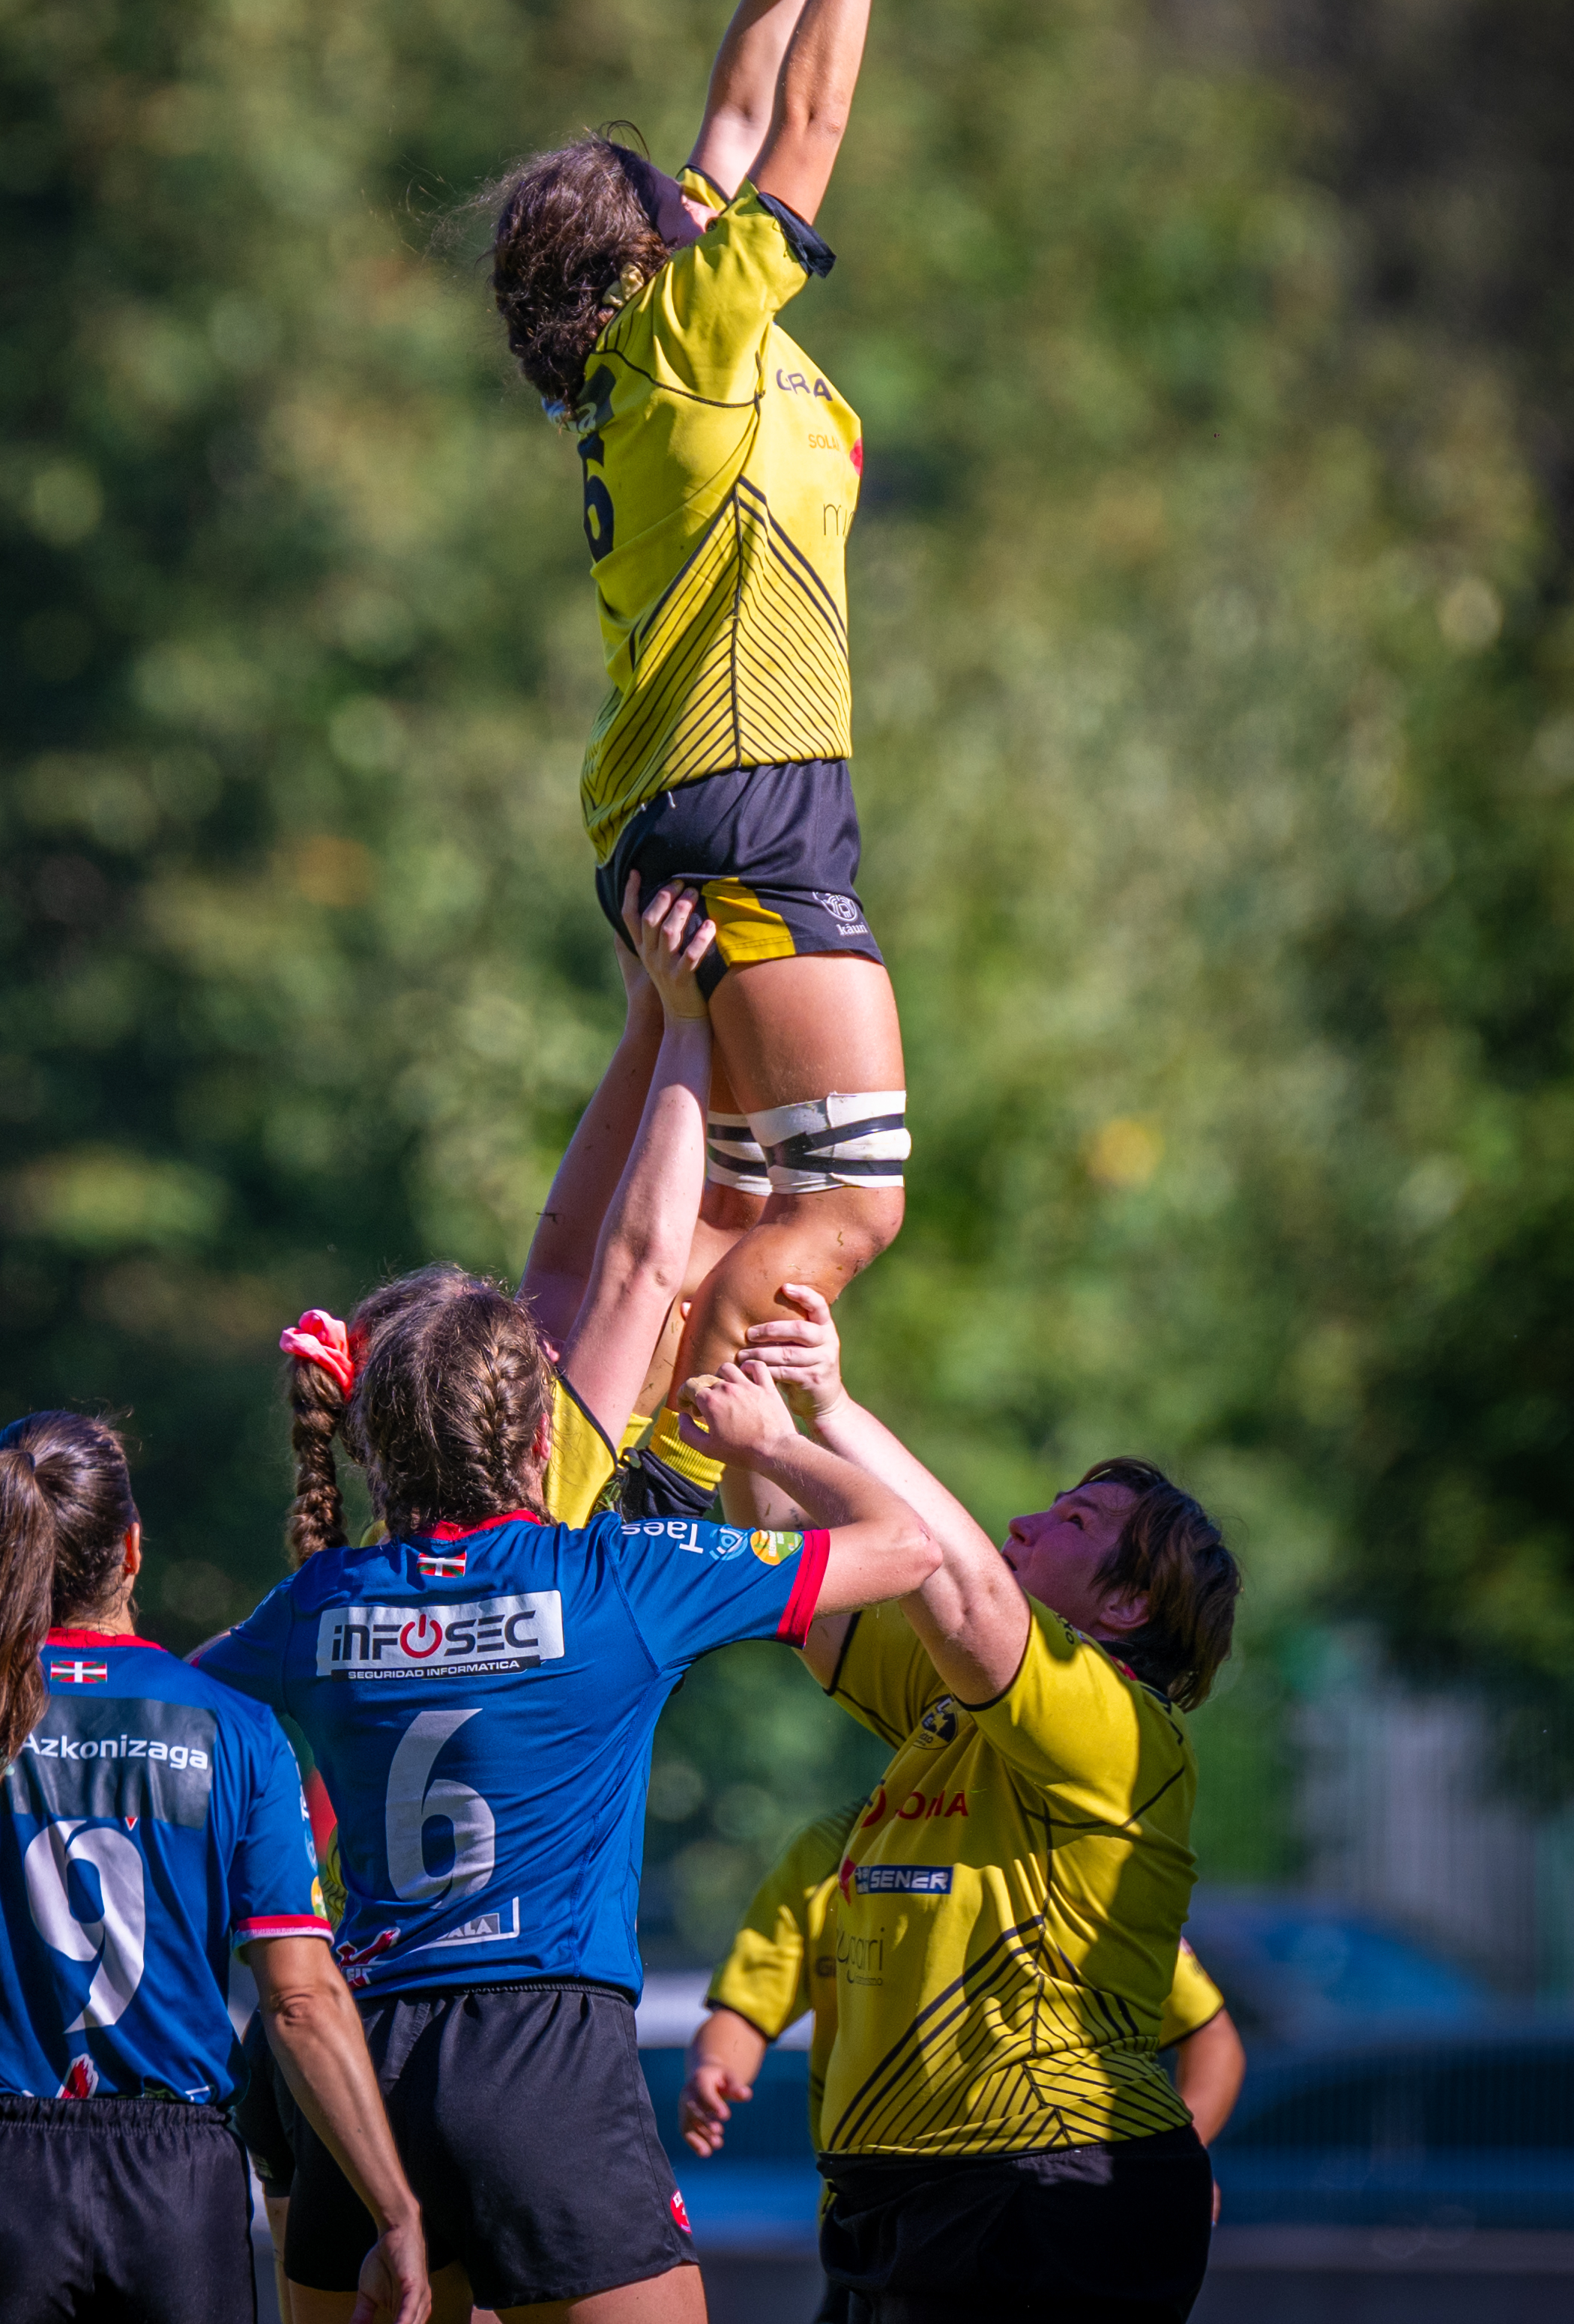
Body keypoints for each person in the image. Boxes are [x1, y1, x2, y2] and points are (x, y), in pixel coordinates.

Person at [196, 893, 940, 2324]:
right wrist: (782, 1432)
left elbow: (151, 1699)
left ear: (360, 1440)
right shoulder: (608, 1582)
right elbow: (897, 1538)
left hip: (342, 2061)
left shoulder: (315, 1600)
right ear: (539, 1436)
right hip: (535, 2058)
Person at [485, 0, 950, 1511]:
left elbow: (740, 116)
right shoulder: (692, 336)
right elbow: (804, 134)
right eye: (669, 197)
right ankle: (676, 1473)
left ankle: (575, 1473)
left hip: (687, 808)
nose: (701, 187)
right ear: (645, 264)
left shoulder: (652, 350)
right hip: (743, 810)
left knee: (754, 1217)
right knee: (845, 1206)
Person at [0, 1412, 430, 2324]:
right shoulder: (233, 1727)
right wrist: (395, 2209)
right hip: (177, 2188)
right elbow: (301, 2000)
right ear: (132, 1546)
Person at [690, 1288, 1241, 2324]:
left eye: (1070, 1521)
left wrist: (826, 1409)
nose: (1024, 1521)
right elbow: (795, 1570)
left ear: (1124, 1605)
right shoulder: (957, 1702)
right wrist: (744, 1402)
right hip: (906, 2192)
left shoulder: (1118, 1722)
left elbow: (967, 1585)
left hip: (1048, 2181)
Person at [679, 1813, 1245, 2172]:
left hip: (1043, 2206)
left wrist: (1168, 2164)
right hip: (866, 2214)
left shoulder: (1057, 1848)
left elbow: (1210, 2036)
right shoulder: (829, 1849)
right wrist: (715, 2068)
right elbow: (746, 2010)